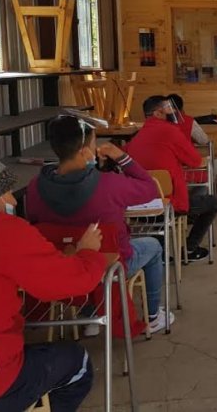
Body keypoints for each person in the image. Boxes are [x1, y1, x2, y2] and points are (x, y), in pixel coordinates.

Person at [0, 153, 107, 412]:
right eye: (6, 192)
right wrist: (88, 252)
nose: (10, 200)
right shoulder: (5, 230)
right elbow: (71, 283)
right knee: (78, 363)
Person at [25, 115, 174, 334]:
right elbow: (149, 188)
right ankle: (153, 316)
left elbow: (37, 225)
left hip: (61, 265)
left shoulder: (35, 187)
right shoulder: (109, 184)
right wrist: (122, 157)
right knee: (154, 245)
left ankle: (91, 314)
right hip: (110, 267)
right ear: (85, 151)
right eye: (94, 144)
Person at [127, 96, 217, 261]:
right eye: (168, 108)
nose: (173, 111)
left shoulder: (136, 137)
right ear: (158, 113)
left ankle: (160, 253)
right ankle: (190, 248)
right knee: (212, 202)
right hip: (171, 205)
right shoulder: (170, 131)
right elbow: (195, 161)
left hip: (139, 208)